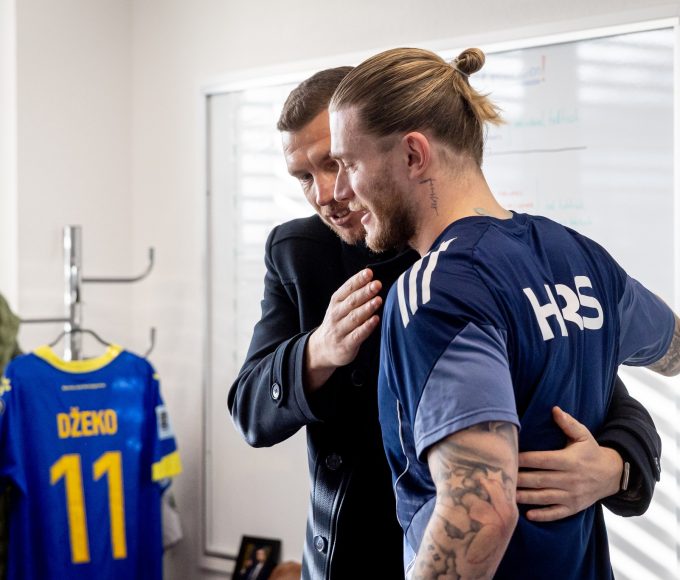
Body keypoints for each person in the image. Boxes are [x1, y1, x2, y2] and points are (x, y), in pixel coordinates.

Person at [228, 67, 664, 580]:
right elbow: (249, 408)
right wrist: (319, 349)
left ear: (408, 154)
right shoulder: (296, 252)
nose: (329, 192)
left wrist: (618, 466)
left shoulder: (451, 278)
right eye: (304, 177)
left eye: (339, 163)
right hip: (357, 550)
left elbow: (588, 377)